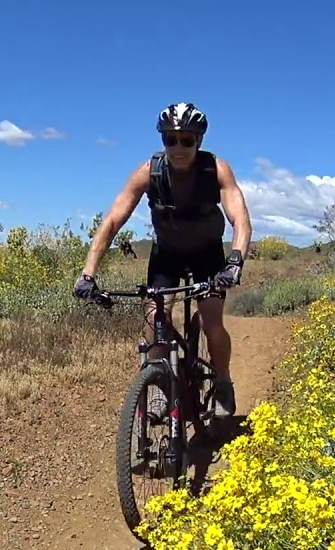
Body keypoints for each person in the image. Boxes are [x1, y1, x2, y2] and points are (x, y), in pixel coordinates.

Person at [73, 101, 252, 420]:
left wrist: (235, 262)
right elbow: (113, 221)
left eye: (186, 140)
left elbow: (240, 218)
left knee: (212, 323)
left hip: (208, 254)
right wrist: (88, 273)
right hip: (166, 255)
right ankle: (156, 386)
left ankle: (223, 381)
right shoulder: (148, 172)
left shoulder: (216, 170)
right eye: (170, 139)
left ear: (199, 140)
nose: (178, 146)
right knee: (154, 320)